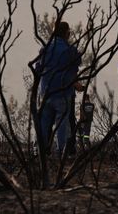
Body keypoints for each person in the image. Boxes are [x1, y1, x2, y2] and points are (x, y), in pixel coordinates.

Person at [36, 21, 83, 156]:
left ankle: (41, 153)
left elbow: (38, 68)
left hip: (46, 91)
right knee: (62, 124)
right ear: (66, 33)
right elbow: (78, 62)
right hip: (63, 92)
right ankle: (61, 153)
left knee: (44, 124)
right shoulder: (69, 50)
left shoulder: (45, 49)